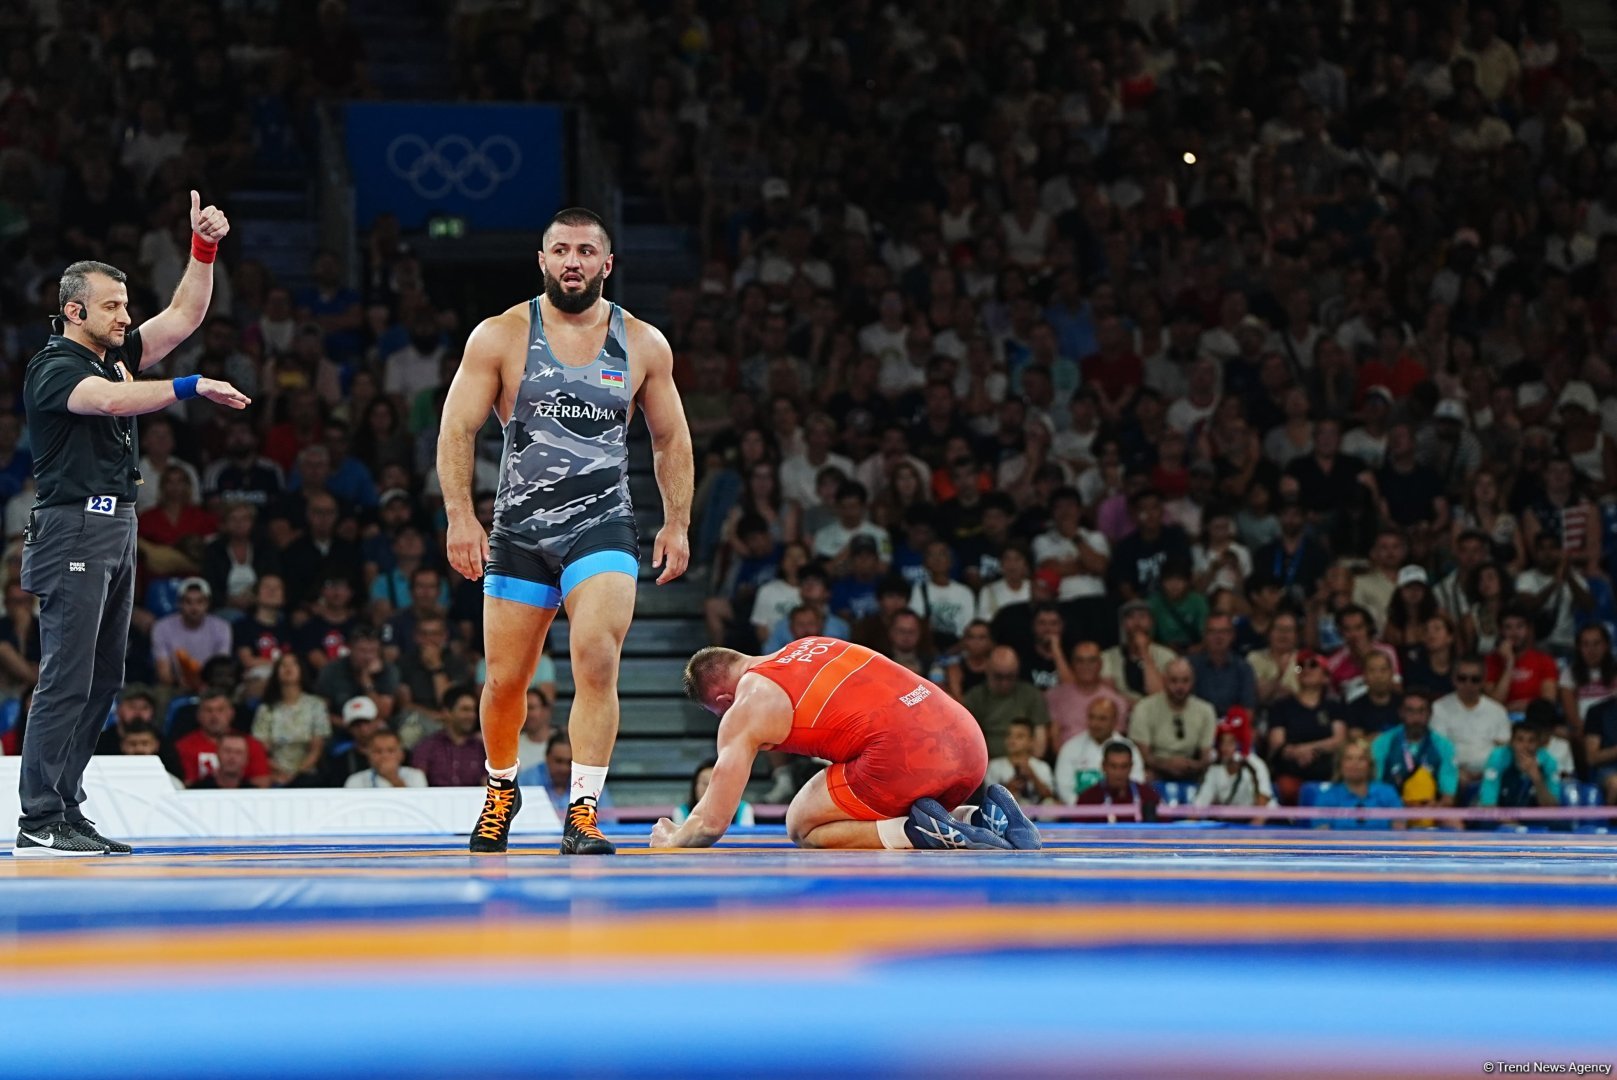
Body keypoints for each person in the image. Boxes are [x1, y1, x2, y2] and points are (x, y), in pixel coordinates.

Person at [438, 208, 693, 855]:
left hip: (600, 523)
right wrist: (460, 516)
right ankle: (501, 789)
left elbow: (669, 438)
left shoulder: (642, 343)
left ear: (606, 265)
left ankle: (581, 812)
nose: (572, 262)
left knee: (597, 659)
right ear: (542, 260)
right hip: (519, 530)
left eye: (585, 251)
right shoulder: (500, 336)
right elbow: (458, 428)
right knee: (503, 682)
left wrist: (678, 521)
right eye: (560, 250)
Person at [15, 197, 249, 857]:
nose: (125, 315)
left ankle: (65, 808)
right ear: (73, 311)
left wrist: (202, 251)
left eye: (124, 304)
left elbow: (184, 315)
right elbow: (113, 402)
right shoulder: (55, 367)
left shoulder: (112, 355)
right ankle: (38, 818)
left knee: (104, 677)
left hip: (117, 527)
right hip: (73, 530)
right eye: (112, 306)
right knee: (66, 674)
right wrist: (191, 385)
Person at [663, 638, 1041, 850]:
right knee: (866, 784)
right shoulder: (809, 643)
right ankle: (979, 816)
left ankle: (916, 834)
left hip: (907, 759)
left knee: (800, 825)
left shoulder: (745, 704)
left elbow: (712, 823)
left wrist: (671, 841)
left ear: (723, 703)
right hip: (968, 742)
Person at [1370, 689, 1460, 819]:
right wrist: (1398, 807)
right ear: (1401, 713)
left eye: (1421, 711)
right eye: (1410, 711)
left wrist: (1434, 808)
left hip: (1432, 810)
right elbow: (1374, 788)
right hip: (1392, 809)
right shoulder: (1383, 743)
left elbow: (1448, 797)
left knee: (1455, 824)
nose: (1416, 717)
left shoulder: (1444, 746)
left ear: (1430, 714)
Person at [1129, 657, 1216, 783]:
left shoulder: (1206, 710)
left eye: (1185, 681)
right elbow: (1143, 755)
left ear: (1193, 681)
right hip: (1154, 770)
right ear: (1164, 680)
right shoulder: (1144, 708)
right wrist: (1166, 765)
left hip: (1192, 770)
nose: (1180, 687)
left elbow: (1206, 756)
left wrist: (1190, 765)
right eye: (1174, 681)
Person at [1431, 655, 1512, 790]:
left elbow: (1503, 749)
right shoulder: (1439, 708)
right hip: (1452, 774)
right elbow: (1438, 749)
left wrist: (1488, 773)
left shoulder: (1497, 711)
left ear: (1483, 681)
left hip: (1491, 776)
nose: (1468, 684)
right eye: (1462, 678)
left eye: (1475, 679)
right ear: (1453, 679)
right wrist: (1455, 772)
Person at [1052, 696, 1144, 803]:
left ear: (1115, 721)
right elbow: (1064, 788)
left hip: (1121, 811)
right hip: (1080, 813)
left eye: (1102, 719)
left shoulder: (1129, 748)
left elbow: (1137, 781)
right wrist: (1084, 808)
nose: (1095, 724)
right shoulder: (1070, 748)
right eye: (1092, 717)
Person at [1475, 716, 1562, 818]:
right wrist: (1514, 827)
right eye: (1520, 740)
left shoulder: (1549, 762)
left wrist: (1537, 778)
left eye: (1531, 741)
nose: (1525, 746)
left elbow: (1552, 809)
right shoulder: (1498, 757)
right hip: (1500, 820)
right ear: (1511, 742)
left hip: (1533, 821)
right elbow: (1488, 804)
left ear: (1539, 744)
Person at [1313, 739, 1405, 830]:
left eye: (1361, 759)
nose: (1355, 764)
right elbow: (1322, 835)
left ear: (1369, 765)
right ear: (1340, 765)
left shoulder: (1388, 793)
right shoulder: (1327, 797)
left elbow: (1399, 831)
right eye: (1349, 758)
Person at [1193, 709, 1273, 809]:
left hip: (1266, 820)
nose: (1225, 748)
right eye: (1223, 743)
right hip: (1234, 821)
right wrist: (1189, 823)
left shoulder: (1255, 765)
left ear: (1240, 744)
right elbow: (1199, 805)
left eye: (1230, 743)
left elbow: (1263, 802)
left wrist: (1253, 825)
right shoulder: (1215, 768)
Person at [1075, 741, 1161, 822]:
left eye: (1124, 766)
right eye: (1113, 766)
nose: (1118, 773)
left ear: (1131, 766)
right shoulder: (1088, 799)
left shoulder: (1148, 796)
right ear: (1103, 766)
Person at [984, 718, 1056, 805]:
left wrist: (1032, 776)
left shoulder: (1042, 766)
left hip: (1038, 815)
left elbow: (1050, 796)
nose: (1012, 739)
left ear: (1031, 741)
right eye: (1009, 735)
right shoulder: (995, 766)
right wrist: (1008, 788)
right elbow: (988, 798)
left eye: (1019, 736)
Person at [675, 758, 756, 827]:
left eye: (714, 784)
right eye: (704, 783)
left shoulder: (744, 809)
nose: (709, 789)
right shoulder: (681, 812)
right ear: (695, 786)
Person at [344, 729, 428, 789]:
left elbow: (418, 806)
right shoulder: (355, 781)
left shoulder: (415, 776)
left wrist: (393, 779)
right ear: (369, 756)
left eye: (391, 751)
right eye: (378, 751)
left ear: (401, 754)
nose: (384, 756)